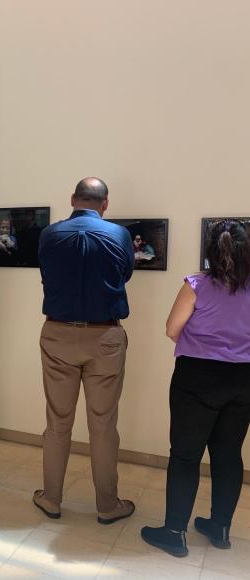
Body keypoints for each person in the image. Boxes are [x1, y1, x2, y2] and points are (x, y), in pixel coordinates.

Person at [141, 219, 250, 557]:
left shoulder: (196, 285)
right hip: (244, 379)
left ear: (209, 251)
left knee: (186, 455)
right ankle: (219, 528)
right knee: (228, 454)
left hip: (197, 377)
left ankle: (174, 532)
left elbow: (172, 329)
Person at [33, 177, 135, 524]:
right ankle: (108, 505)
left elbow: (46, 274)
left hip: (58, 334)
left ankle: (51, 499)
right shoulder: (119, 235)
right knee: (103, 424)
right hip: (104, 336)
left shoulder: (49, 234)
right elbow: (125, 275)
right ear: (105, 204)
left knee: (58, 421)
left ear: (73, 199)